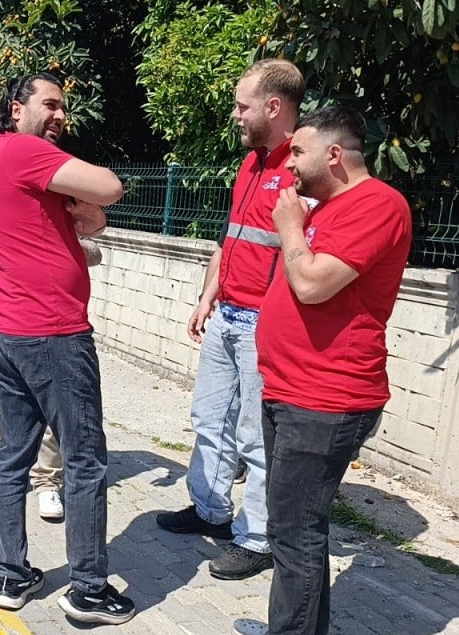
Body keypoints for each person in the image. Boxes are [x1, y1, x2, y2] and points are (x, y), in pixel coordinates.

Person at [214, 106, 412, 635]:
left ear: (333, 154)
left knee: (293, 529)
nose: (288, 165)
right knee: (300, 524)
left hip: (326, 399)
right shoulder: (327, 208)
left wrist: (291, 226)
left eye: (297, 153)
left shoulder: (379, 204)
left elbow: (312, 283)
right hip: (292, 389)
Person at [0, 72, 135, 625]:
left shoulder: (1, 156)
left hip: (6, 330)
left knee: (14, 456)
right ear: (16, 108)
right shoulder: (22, 150)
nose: (59, 114)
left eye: (63, 106)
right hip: (52, 335)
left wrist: (89, 217)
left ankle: (12, 574)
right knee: (85, 459)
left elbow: (90, 218)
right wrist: (95, 208)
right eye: (50, 104)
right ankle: (88, 589)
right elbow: (109, 188)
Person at [156, 59, 304, 581]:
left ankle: (258, 538)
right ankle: (210, 511)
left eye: (243, 106)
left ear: (273, 106)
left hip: (265, 325)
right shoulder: (251, 164)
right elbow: (232, 239)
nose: (236, 116)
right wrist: (207, 297)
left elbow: (300, 257)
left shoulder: (300, 169)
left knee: (255, 437)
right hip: (227, 315)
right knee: (210, 419)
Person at [0, 215, 104, 521]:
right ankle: (4, 472)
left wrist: (54, 243)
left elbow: (95, 253)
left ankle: (47, 482)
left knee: (48, 411)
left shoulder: (57, 211)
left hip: (43, 328)